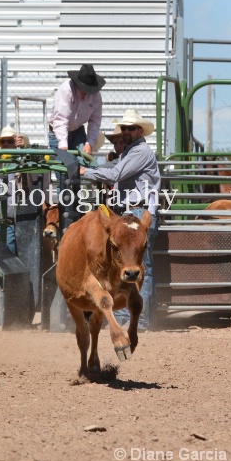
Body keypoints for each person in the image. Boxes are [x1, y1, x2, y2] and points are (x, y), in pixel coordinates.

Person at [79, 109, 160, 330]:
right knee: (128, 265)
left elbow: (114, 175)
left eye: (129, 128)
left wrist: (85, 172)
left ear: (139, 130)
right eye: (123, 128)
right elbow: (113, 170)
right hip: (131, 214)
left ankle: (139, 318)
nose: (125, 132)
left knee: (140, 267)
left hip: (138, 213)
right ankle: (127, 316)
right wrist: (92, 168)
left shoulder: (139, 152)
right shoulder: (131, 152)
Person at [48, 64, 105, 155]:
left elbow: (95, 121)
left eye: (89, 90)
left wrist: (89, 143)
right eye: (84, 89)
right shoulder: (66, 90)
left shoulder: (96, 96)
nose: (86, 94)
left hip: (77, 132)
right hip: (57, 133)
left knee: (84, 163)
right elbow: (61, 118)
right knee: (60, 165)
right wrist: (63, 143)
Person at [0, 126, 28, 253]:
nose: (6, 144)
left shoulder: (22, 161)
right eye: (3, 141)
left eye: (10, 141)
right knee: (5, 259)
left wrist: (24, 147)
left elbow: (29, 165)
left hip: (20, 222)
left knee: (10, 259)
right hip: (4, 222)